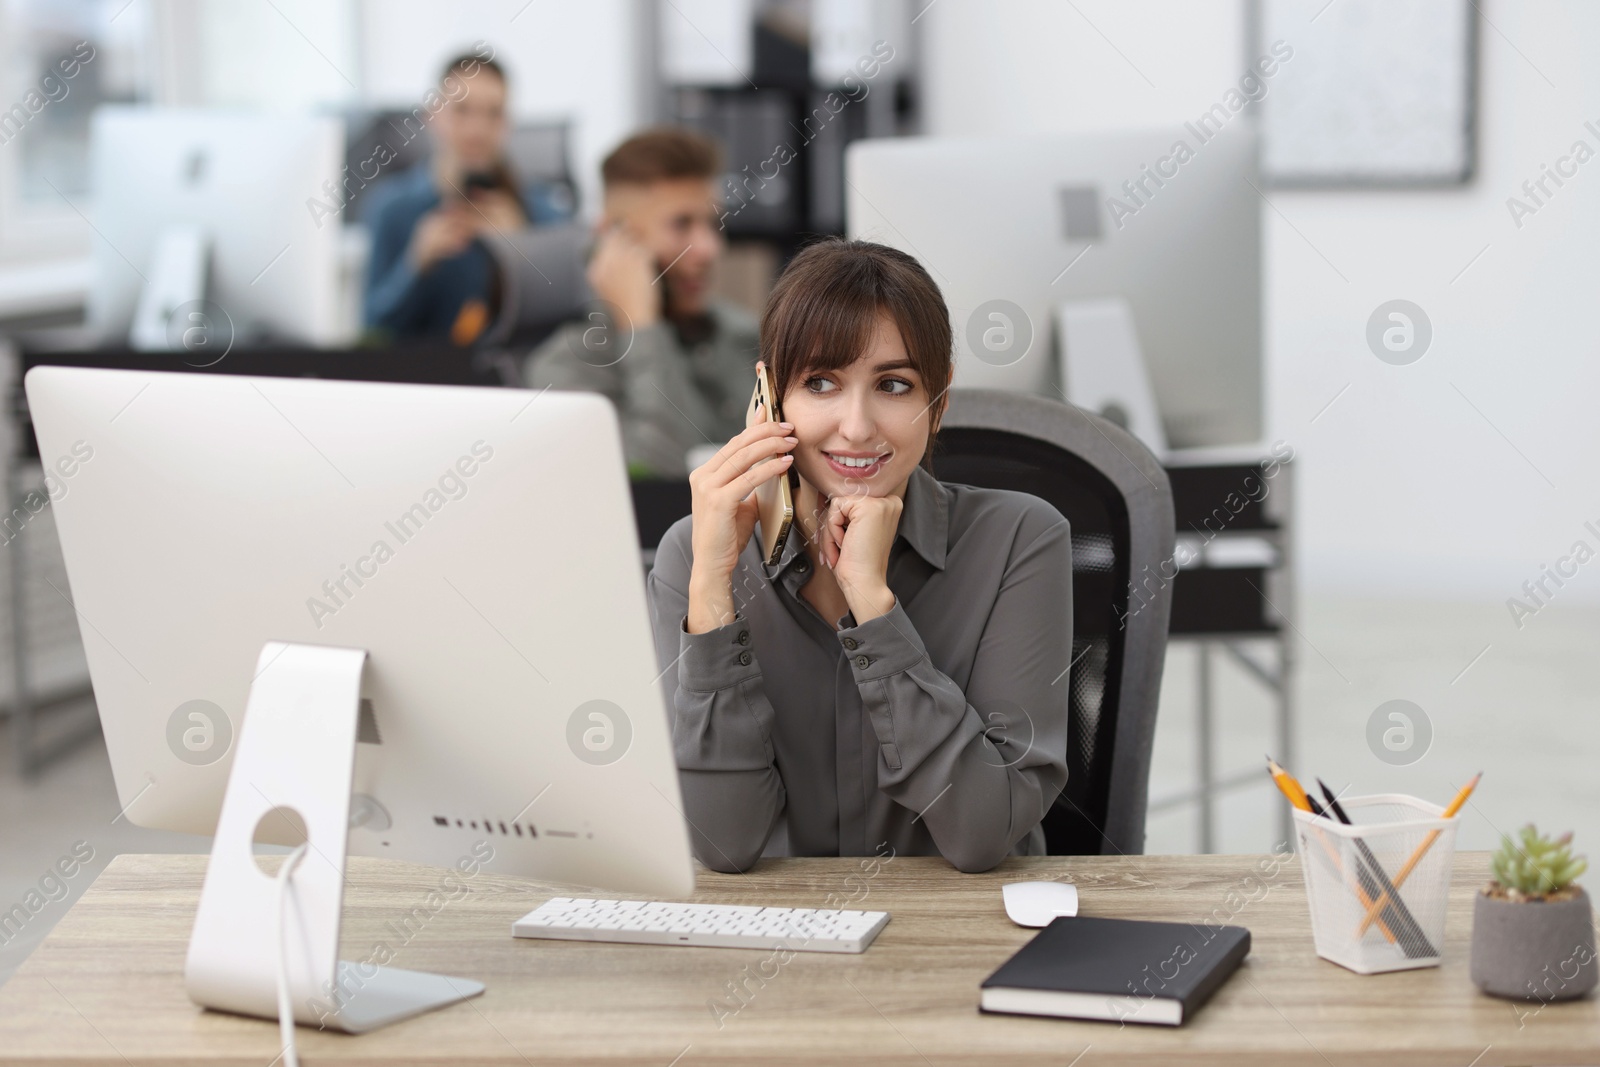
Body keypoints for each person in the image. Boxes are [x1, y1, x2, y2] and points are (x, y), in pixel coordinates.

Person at [646, 239, 1073, 874]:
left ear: (939, 402)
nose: (856, 425)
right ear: (768, 398)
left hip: (958, 940)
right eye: (820, 383)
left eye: (894, 385)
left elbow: (985, 831)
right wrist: (711, 590)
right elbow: (722, 844)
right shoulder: (697, 551)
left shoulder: (1020, 538)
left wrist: (874, 605)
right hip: (780, 944)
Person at [522, 128, 759, 478]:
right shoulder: (565, 369)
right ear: (616, 239)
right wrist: (641, 325)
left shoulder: (746, 335)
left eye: (712, 223)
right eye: (682, 224)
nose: (710, 249)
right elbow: (665, 477)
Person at [362, 51, 571, 344]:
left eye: (494, 114)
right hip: (426, 380)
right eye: (462, 110)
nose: (477, 130)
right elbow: (372, 332)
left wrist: (522, 252)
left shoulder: (544, 212)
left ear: (508, 123)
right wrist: (415, 265)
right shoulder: (392, 208)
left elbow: (566, 327)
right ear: (432, 115)